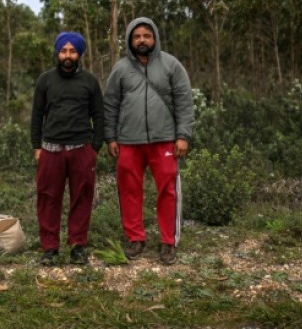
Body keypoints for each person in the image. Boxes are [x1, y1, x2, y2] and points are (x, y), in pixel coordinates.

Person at [104, 17, 195, 265]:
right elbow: (110, 104)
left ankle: (168, 242)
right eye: (136, 36)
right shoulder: (120, 69)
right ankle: (135, 238)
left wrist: (183, 135)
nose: (141, 40)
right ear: (130, 41)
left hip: (165, 139)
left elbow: (184, 103)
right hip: (128, 141)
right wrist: (110, 136)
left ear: (154, 37)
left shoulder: (171, 65)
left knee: (168, 190)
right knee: (129, 191)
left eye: (146, 35)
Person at [30, 31, 104, 265]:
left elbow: (99, 115)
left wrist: (95, 148)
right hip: (50, 148)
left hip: (81, 147)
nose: (68, 55)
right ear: (57, 53)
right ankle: (50, 248)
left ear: (79, 54)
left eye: (72, 51)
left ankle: (77, 246)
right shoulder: (46, 80)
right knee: (48, 197)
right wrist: (36, 146)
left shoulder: (90, 82)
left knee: (82, 197)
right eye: (64, 51)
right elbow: (37, 115)